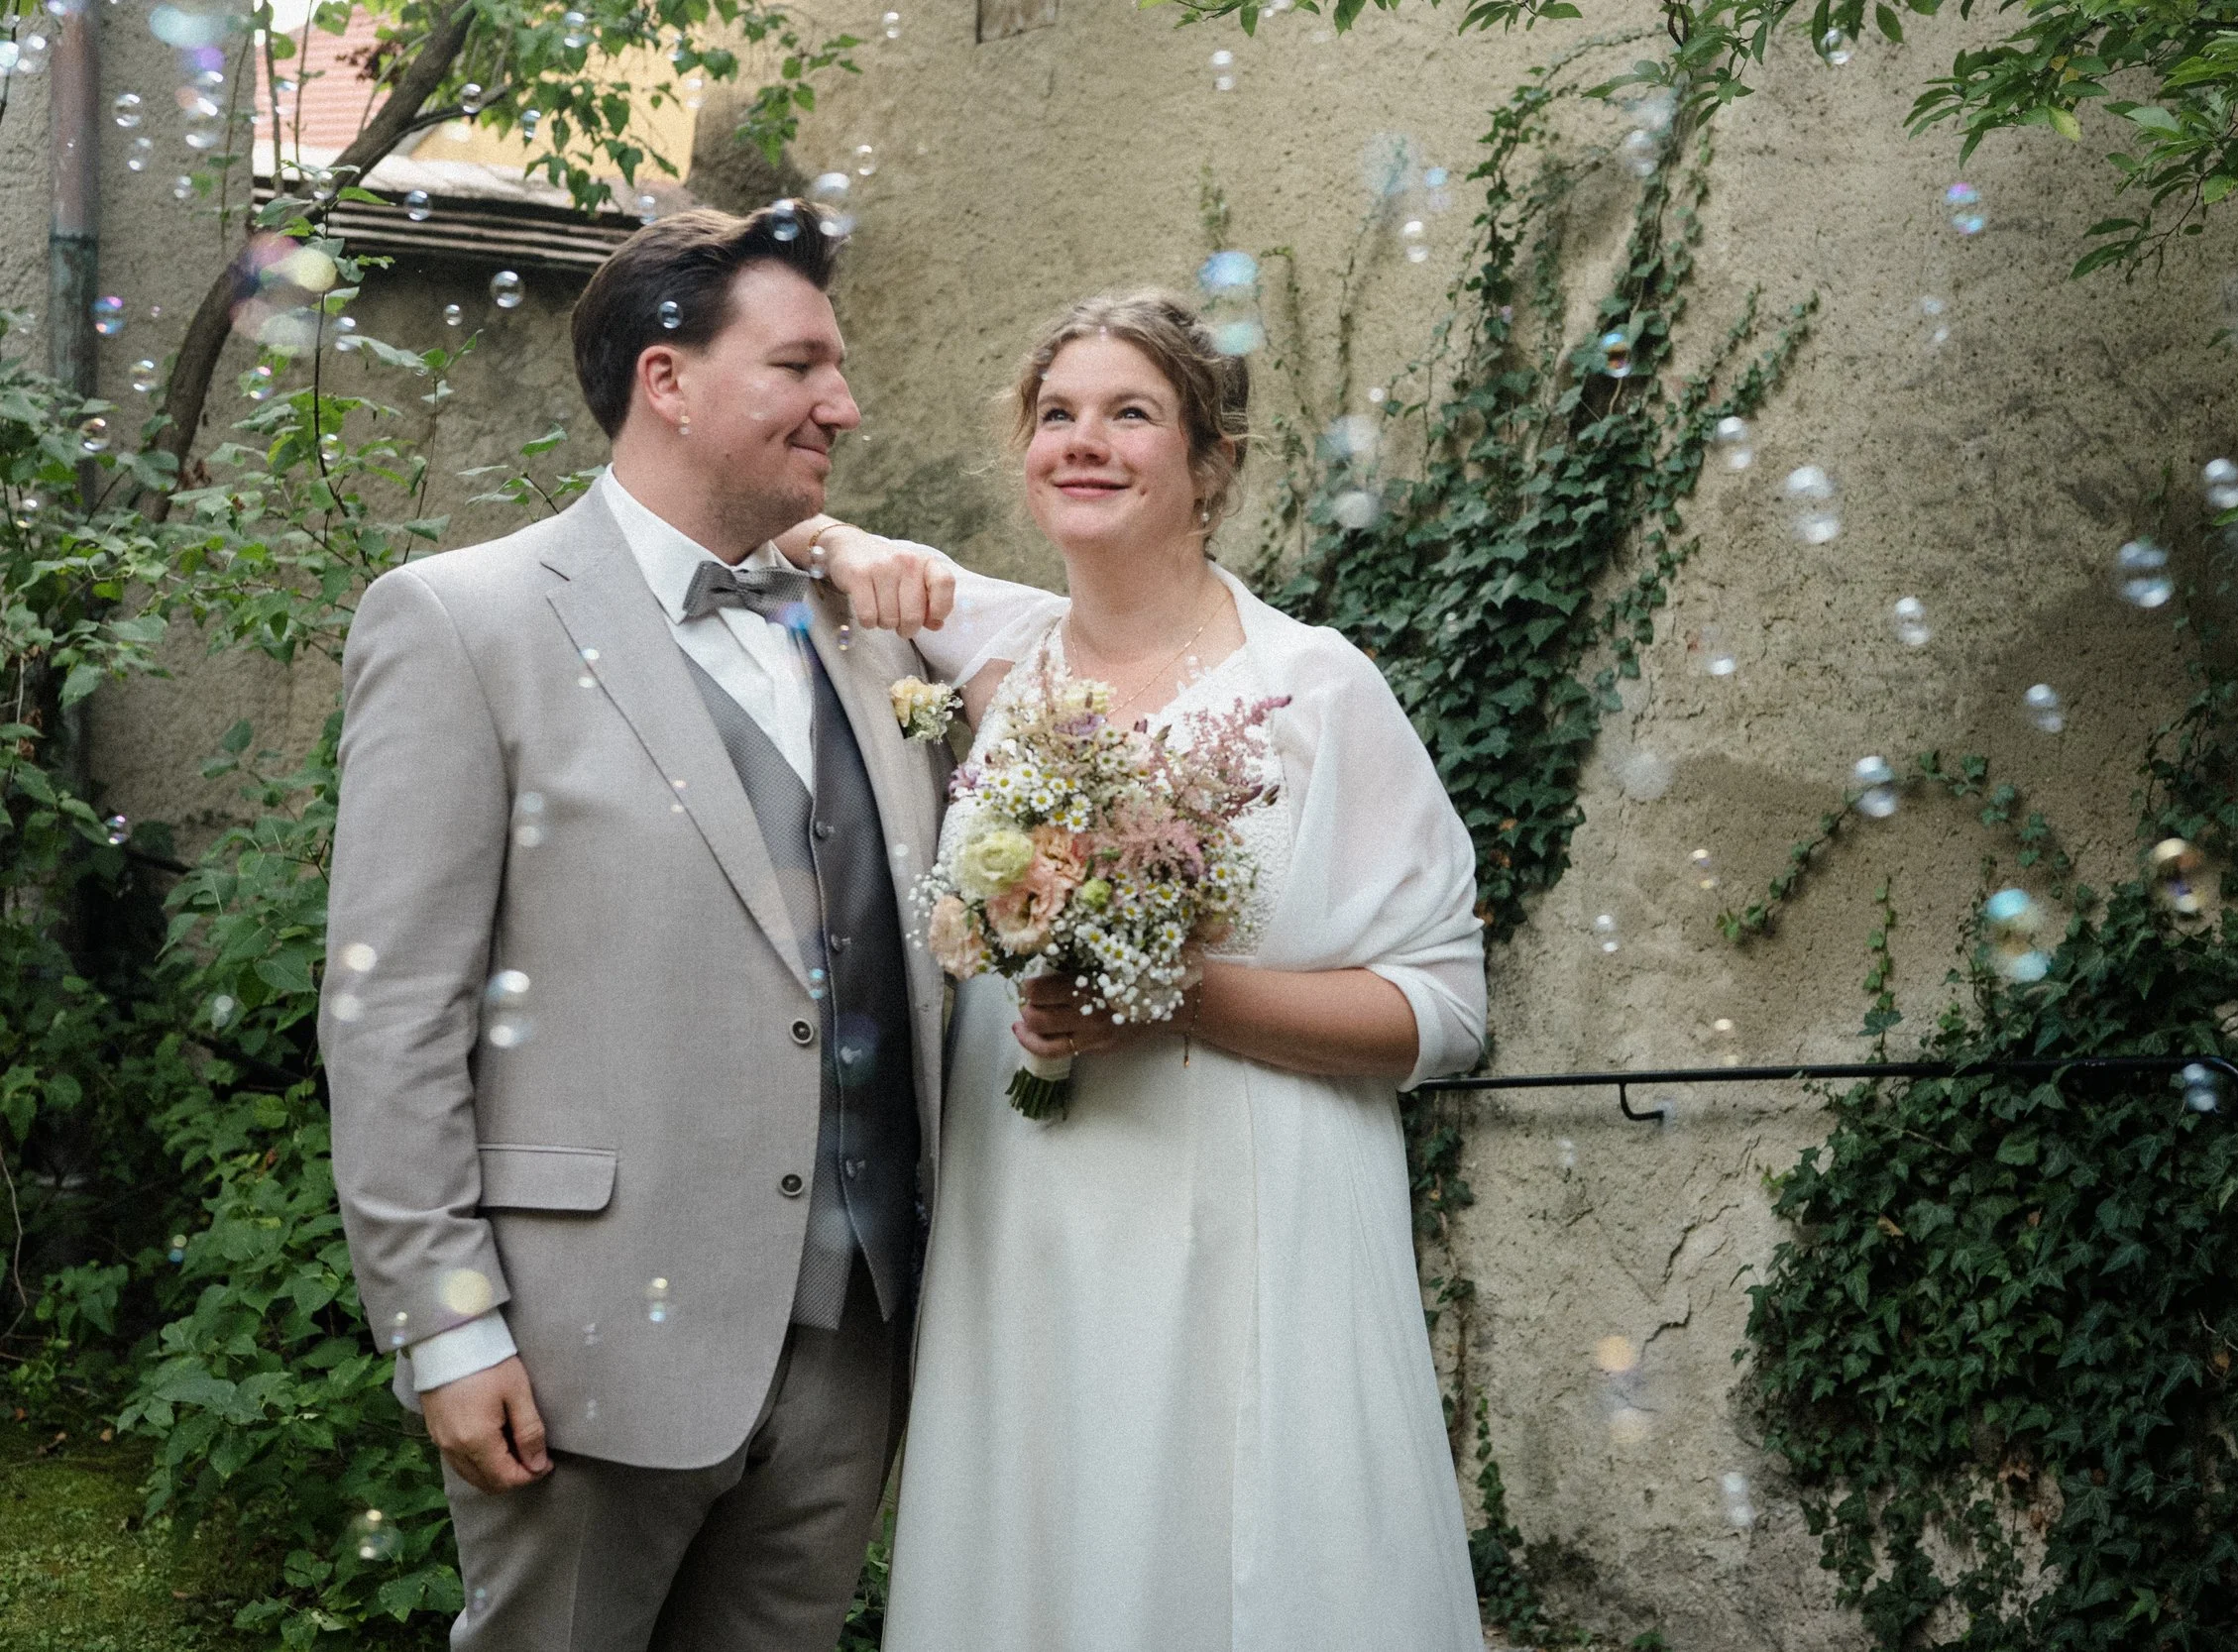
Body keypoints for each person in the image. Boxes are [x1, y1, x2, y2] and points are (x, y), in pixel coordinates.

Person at [808, 291, 1490, 1651]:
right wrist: (843, 536)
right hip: (1036, 1226)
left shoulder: (1315, 688)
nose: (1084, 442)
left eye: (1132, 413)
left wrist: (1177, 995)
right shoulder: (997, 661)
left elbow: (1445, 1009)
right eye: (1056, 414)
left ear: (1212, 461)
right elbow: (774, 534)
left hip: (1250, 1228)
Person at [322, 201, 953, 1649]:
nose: (842, 405)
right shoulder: (461, 622)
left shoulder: (878, 631)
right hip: (582, 1340)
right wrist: (447, 1318)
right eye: (800, 367)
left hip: (856, 1341)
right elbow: (391, 1012)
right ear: (666, 378)